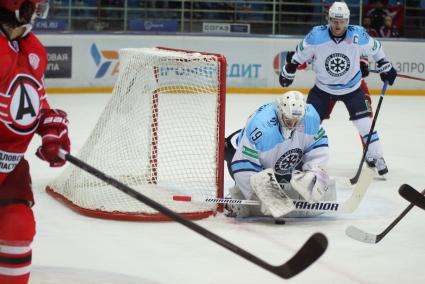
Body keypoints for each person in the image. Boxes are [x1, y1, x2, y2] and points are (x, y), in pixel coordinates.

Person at [279, 1, 397, 176]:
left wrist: (384, 64)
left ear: (347, 21)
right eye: (334, 20)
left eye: (341, 22)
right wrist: (290, 68)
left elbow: (376, 48)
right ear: (329, 19)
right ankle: (297, 156)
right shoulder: (316, 35)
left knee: (365, 125)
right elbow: (299, 56)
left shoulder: (358, 35)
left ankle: (376, 157)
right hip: (323, 90)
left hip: (353, 90)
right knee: (306, 125)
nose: (337, 25)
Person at [0, 1, 71, 283]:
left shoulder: (29, 49)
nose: (37, 12)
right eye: (33, 6)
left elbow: (35, 103)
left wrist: (50, 129)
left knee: (17, 226)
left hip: (10, 164)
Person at [224, 90, 334, 218]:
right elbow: (243, 162)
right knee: (255, 197)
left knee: (293, 184)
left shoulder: (309, 119)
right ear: (279, 112)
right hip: (240, 156)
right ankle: (235, 199)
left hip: (278, 159)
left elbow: (318, 143)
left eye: (296, 121)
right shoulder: (261, 128)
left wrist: (315, 170)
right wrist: (261, 192)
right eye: (288, 120)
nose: (293, 125)